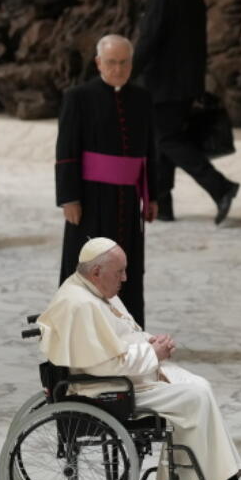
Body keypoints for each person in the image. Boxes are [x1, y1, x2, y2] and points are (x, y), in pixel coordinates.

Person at [37, 238, 241, 480]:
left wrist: (150, 342)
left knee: (200, 387)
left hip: (123, 380)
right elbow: (106, 365)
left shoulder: (93, 288)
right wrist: (153, 354)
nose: (125, 278)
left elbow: (120, 335)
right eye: (120, 272)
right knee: (194, 397)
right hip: (105, 390)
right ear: (97, 272)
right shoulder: (80, 304)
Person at [56, 34, 159, 327]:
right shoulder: (78, 97)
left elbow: (150, 151)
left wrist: (152, 196)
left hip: (129, 199)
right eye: (111, 62)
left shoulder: (141, 98)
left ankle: (128, 327)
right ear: (98, 62)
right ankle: (79, 329)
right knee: (90, 263)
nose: (118, 69)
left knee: (129, 267)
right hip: (90, 199)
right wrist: (69, 197)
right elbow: (66, 151)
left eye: (124, 63)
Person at [133, 0, 239, 225]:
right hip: (186, 87)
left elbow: (148, 42)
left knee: (166, 140)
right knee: (161, 144)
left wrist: (125, 73)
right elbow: (199, 48)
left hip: (161, 88)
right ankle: (161, 206)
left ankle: (221, 187)